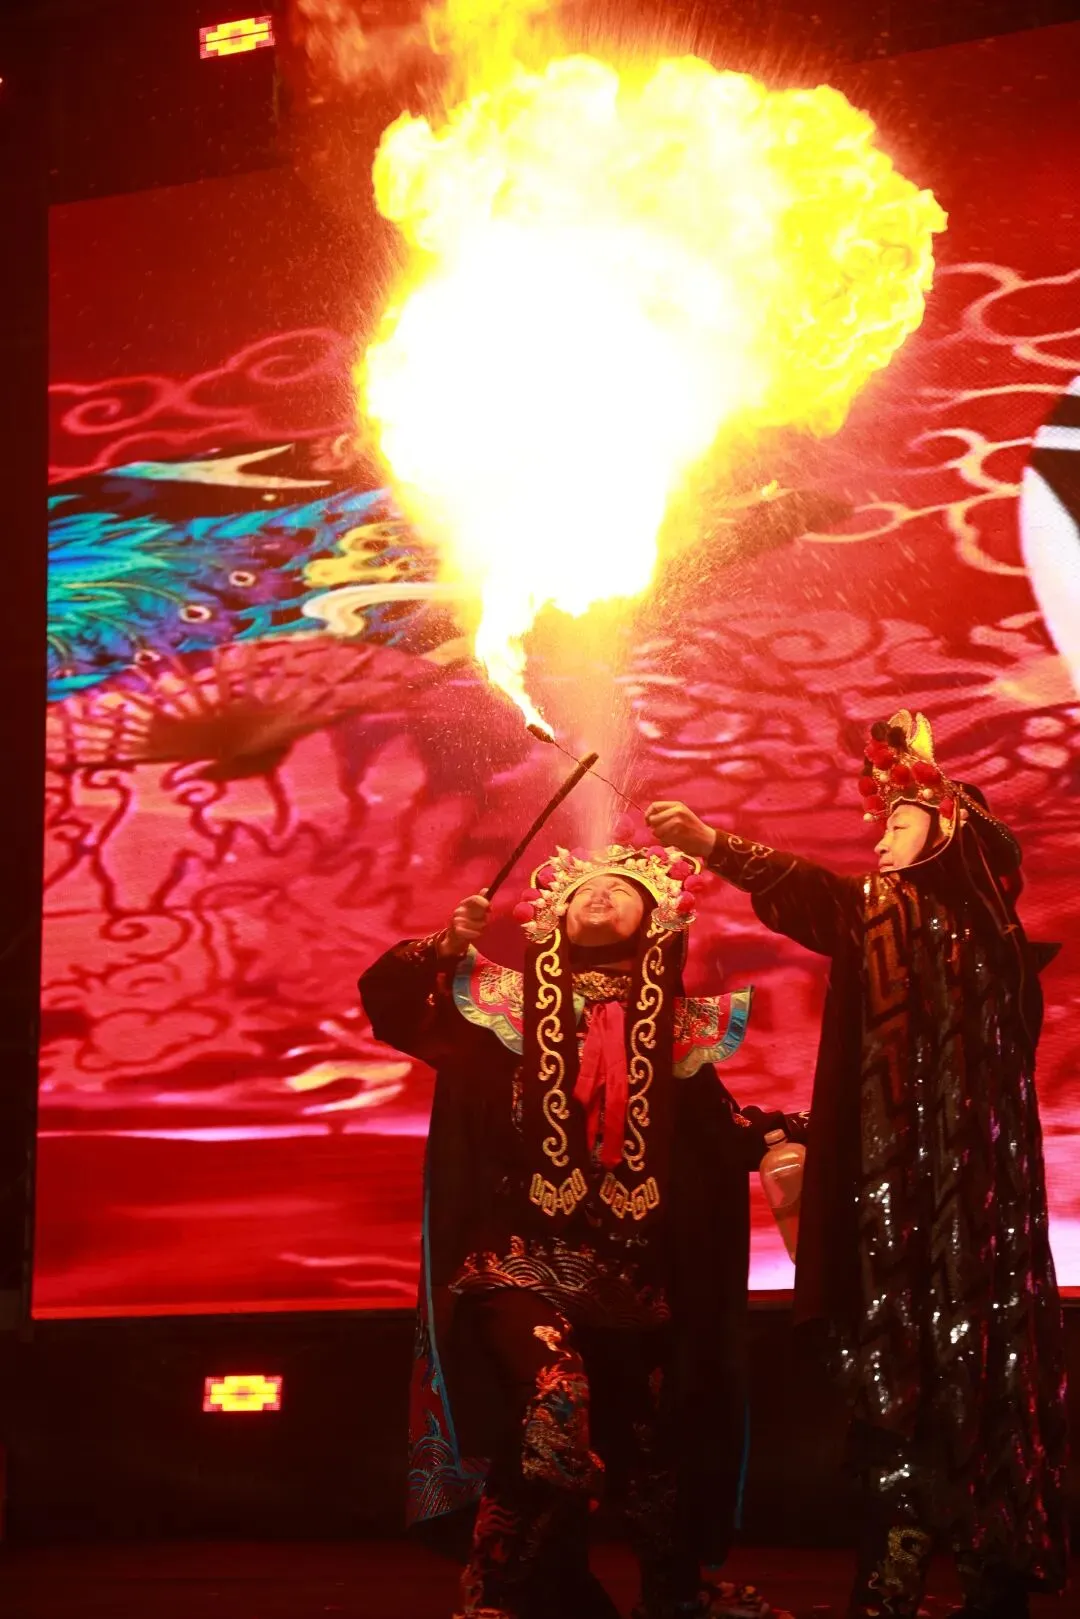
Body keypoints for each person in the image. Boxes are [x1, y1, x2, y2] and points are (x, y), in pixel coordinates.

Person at [645, 709, 1069, 1619]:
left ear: (950, 835)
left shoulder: (983, 942)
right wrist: (714, 844)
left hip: (980, 1209)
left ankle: (982, 1578)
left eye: (900, 824)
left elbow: (939, 866)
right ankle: (895, 1582)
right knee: (898, 1390)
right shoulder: (889, 917)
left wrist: (919, 776)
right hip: (897, 1199)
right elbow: (814, 892)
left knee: (983, 1385)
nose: (880, 841)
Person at [359, 839, 804, 1619]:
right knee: (554, 1402)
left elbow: (721, 1132)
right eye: (583, 888)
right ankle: (500, 1592)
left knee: (656, 1451)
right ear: (553, 914)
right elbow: (392, 1007)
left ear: (656, 920)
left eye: (621, 888)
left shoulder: (675, 1031)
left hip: (630, 1282)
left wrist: (788, 1136)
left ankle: (671, 1598)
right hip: (520, 1264)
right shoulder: (497, 1010)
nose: (600, 892)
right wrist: (441, 946)